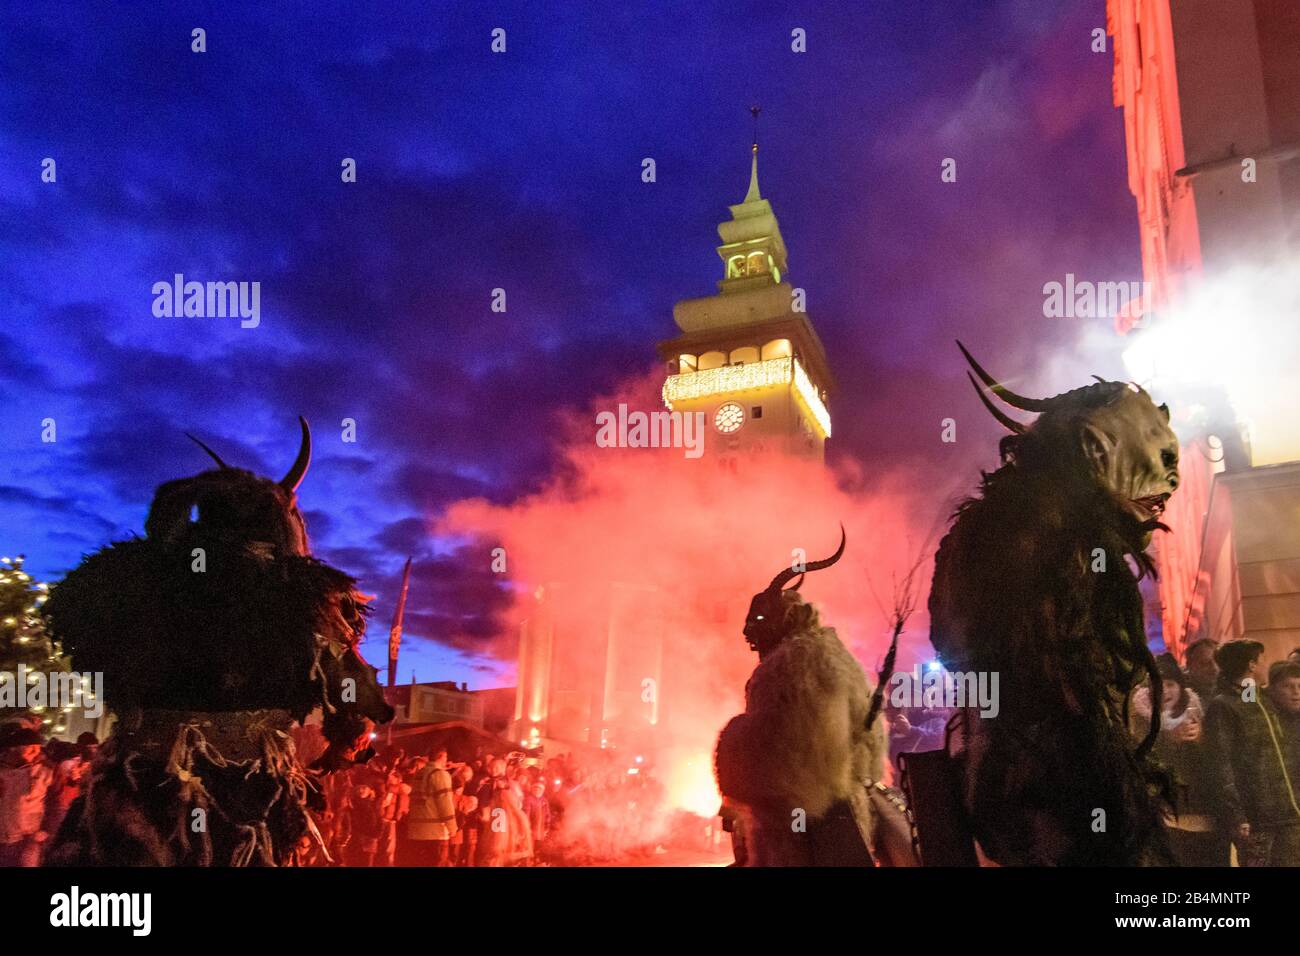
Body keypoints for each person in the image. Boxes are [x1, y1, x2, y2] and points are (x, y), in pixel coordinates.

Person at [1204, 640, 1300, 865]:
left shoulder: (1261, 699)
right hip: (1256, 817)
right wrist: (1236, 815)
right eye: (1261, 660)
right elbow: (1221, 765)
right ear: (1251, 665)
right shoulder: (1223, 706)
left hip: (1288, 812)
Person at [1129, 660, 1222, 865]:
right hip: (1168, 820)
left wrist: (1201, 740)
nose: (1164, 691)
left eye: (1170, 684)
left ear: (1180, 686)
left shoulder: (1197, 714)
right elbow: (1143, 767)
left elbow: (1218, 765)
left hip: (1207, 819)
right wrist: (1169, 741)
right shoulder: (1142, 722)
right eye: (1158, 685)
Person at [0, 725, 54, 867]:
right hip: (4, 838)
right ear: (13, 748)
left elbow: (55, 802)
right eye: (31, 748)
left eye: (38, 748)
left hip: (29, 839)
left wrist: (46, 829)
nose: (36, 752)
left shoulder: (44, 772)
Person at [407, 750, 457, 866]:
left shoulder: (419, 774)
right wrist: (452, 827)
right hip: (435, 832)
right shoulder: (440, 775)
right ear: (442, 757)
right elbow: (445, 802)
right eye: (446, 757)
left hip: (416, 831)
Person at [1184, 638, 1220, 702]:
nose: (1215, 667)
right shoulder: (1179, 695)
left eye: (1218, 661)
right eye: (1205, 663)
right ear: (1189, 666)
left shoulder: (1231, 690)